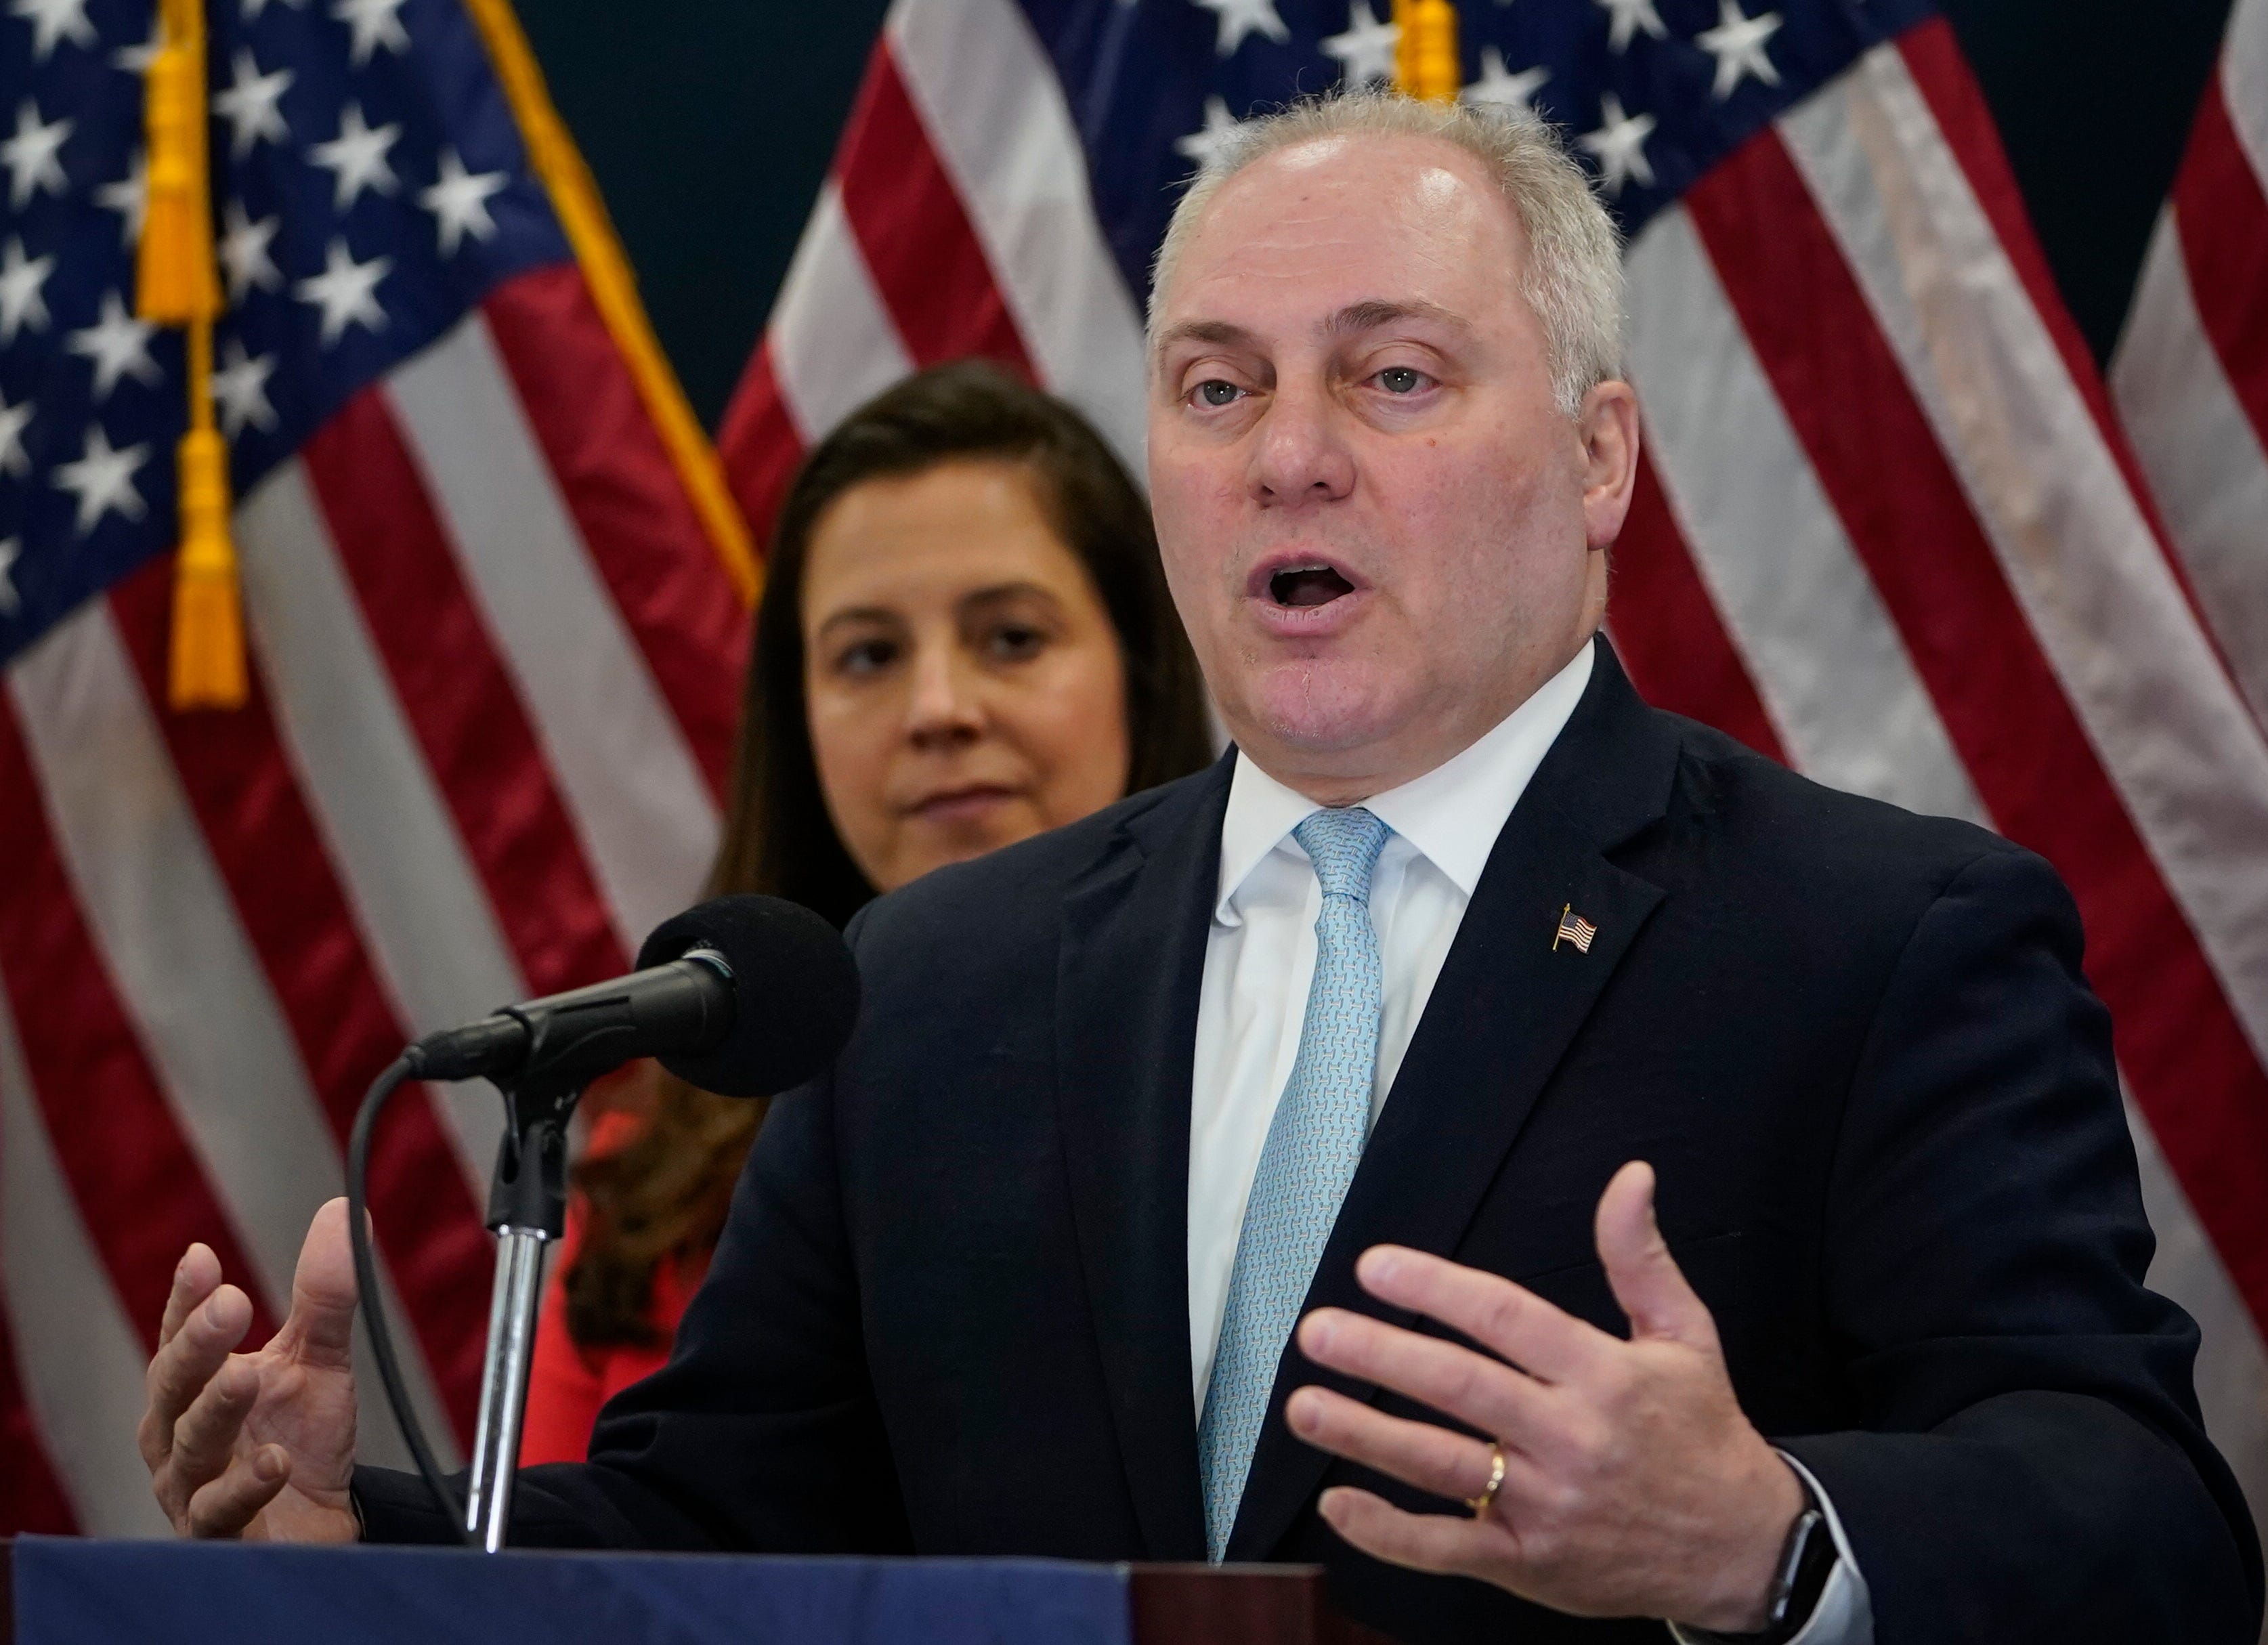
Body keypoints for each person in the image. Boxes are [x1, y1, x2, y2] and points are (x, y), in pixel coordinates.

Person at [138, 92, 2261, 1644]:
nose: (1286, 452)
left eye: (1390, 376)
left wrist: (1765, 1532)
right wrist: (361, 1535)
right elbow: (728, 1527)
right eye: (1216, 385)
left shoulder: (1874, 936)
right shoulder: (938, 979)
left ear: (1599, 456)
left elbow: (2145, 1525)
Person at [519, 360, 1216, 1463]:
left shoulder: (1277, 1058)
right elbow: (546, 1597)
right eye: (869, 656)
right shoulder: (651, 1162)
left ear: (1141, 670)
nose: (937, 709)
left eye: (1012, 638)